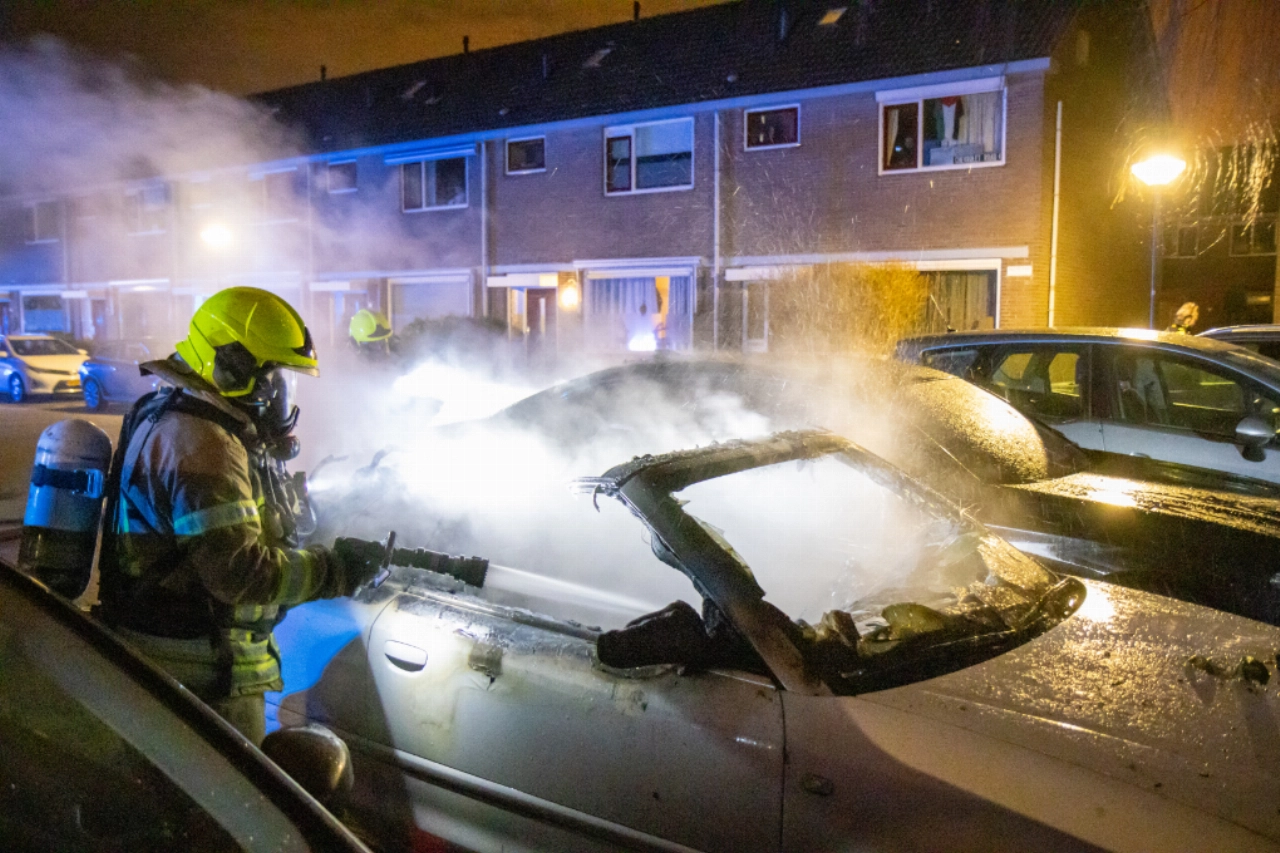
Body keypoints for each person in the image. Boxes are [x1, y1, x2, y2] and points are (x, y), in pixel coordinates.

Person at [97, 286, 387, 744]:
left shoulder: (181, 418)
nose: (277, 396)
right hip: (198, 679)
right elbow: (238, 573)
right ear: (229, 362)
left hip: (182, 667)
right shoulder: (204, 442)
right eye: (271, 378)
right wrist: (337, 570)